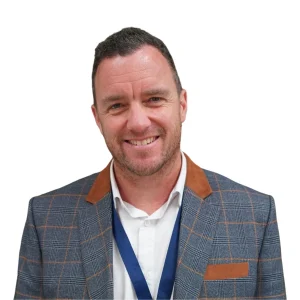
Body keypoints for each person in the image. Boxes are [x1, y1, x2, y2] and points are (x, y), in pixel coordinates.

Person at [14, 27, 286, 300]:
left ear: (182, 105)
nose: (139, 122)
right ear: (98, 118)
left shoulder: (255, 215)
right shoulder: (46, 220)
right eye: (117, 105)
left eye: (154, 99)